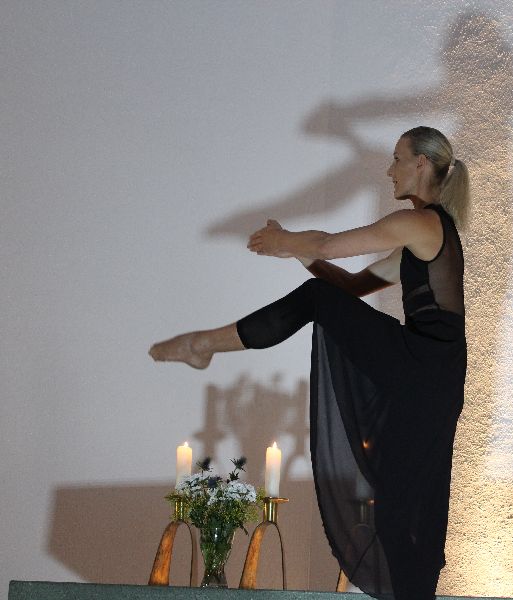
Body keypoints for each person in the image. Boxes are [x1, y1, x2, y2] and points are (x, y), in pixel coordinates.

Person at [150, 126, 469, 599]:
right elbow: (351, 287)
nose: (389, 169)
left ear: (421, 164)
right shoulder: (419, 235)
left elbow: (327, 244)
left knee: (406, 508)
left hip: (426, 367)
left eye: (397, 158)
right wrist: (298, 253)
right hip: (430, 375)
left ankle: (205, 345)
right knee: (400, 507)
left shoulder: (423, 223)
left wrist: (289, 241)